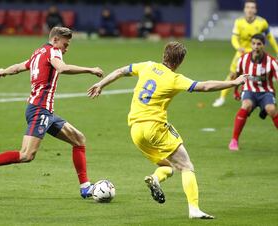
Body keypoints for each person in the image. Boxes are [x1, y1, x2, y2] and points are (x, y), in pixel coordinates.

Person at [88, 41, 246, 219]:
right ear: (180, 62)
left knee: (169, 166)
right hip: (155, 127)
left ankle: (155, 179)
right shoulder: (174, 79)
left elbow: (119, 71)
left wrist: (101, 84)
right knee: (186, 166)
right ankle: (194, 209)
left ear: (164, 55)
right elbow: (206, 86)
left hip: (136, 131)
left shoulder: (147, 66)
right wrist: (234, 82)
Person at [0, 27, 103, 199]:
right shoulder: (54, 51)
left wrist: (3, 71)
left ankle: (85, 187)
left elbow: (18, 67)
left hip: (45, 111)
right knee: (26, 155)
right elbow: (61, 68)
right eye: (65, 44)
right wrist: (90, 70)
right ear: (55, 40)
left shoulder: (38, 52)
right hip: (40, 111)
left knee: (79, 139)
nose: (66, 49)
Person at [212, 0, 278, 107]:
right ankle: (221, 98)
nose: (250, 10)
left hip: (257, 54)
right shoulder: (239, 22)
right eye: (247, 7)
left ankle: (262, 98)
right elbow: (234, 38)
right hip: (241, 54)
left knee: (261, 77)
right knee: (232, 75)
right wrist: (239, 48)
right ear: (244, 9)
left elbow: (270, 37)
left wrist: (277, 50)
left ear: (255, 10)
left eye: (252, 7)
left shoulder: (262, 22)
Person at [228, 34, 278, 151]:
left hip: (266, 92)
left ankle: (265, 109)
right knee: (246, 105)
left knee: (271, 109)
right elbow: (237, 76)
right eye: (254, 43)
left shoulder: (272, 62)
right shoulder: (243, 59)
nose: (256, 46)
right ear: (251, 45)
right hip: (249, 90)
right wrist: (235, 91)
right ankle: (234, 140)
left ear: (263, 45)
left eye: (259, 44)